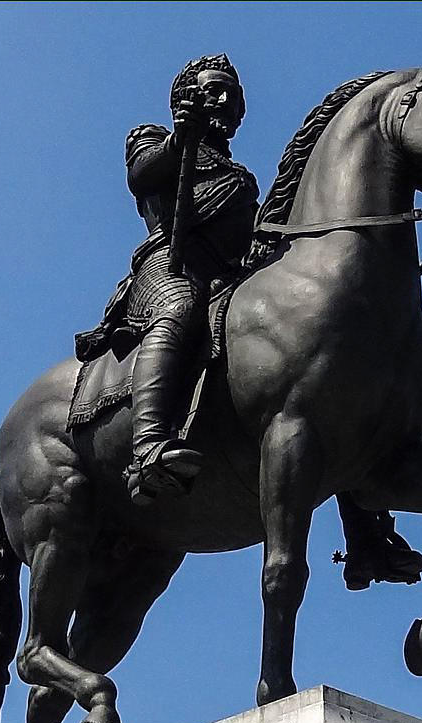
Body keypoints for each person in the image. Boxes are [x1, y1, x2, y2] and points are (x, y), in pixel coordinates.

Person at [75, 54, 259, 505]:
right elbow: (144, 175)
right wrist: (181, 139)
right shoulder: (153, 138)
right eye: (212, 90)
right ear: (185, 98)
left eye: (230, 96)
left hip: (226, 276)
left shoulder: (243, 180)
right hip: (168, 265)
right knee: (180, 309)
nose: (222, 99)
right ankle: (148, 450)